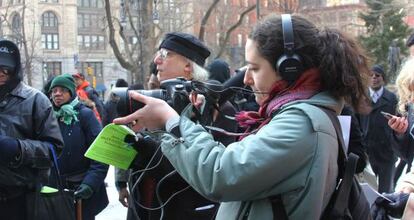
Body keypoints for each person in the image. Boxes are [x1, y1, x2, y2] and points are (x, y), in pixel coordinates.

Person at [114, 14, 370, 219]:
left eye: (255, 68)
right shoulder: (303, 117)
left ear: (289, 69)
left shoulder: (302, 123)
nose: (246, 79)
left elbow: (221, 174)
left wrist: (172, 122)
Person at [117, 32, 237, 220]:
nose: (157, 60)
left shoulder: (216, 107)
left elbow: (211, 171)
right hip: (143, 207)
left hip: (183, 211)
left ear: (188, 66)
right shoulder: (153, 100)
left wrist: (152, 150)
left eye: (166, 54)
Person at [0, 39, 64, 219]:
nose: (1, 73)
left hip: (22, 201)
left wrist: (18, 149)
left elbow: (54, 149)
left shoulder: (36, 100)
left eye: (5, 68)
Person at [48, 74, 109, 220]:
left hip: (81, 192)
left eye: (62, 90)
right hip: (55, 191)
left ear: (71, 92)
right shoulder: (48, 116)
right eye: (54, 90)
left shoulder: (85, 115)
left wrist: (90, 184)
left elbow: (100, 153)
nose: (57, 93)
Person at [359, 64, 398, 193]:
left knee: (385, 191)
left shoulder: (392, 98)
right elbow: (356, 121)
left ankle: (384, 213)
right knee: (368, 191)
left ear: (383, 78)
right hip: (367, 152)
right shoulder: (361, 97)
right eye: (371, 75)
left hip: (387, 152)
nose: (374, 78)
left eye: (377, 75)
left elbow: (398, 121)